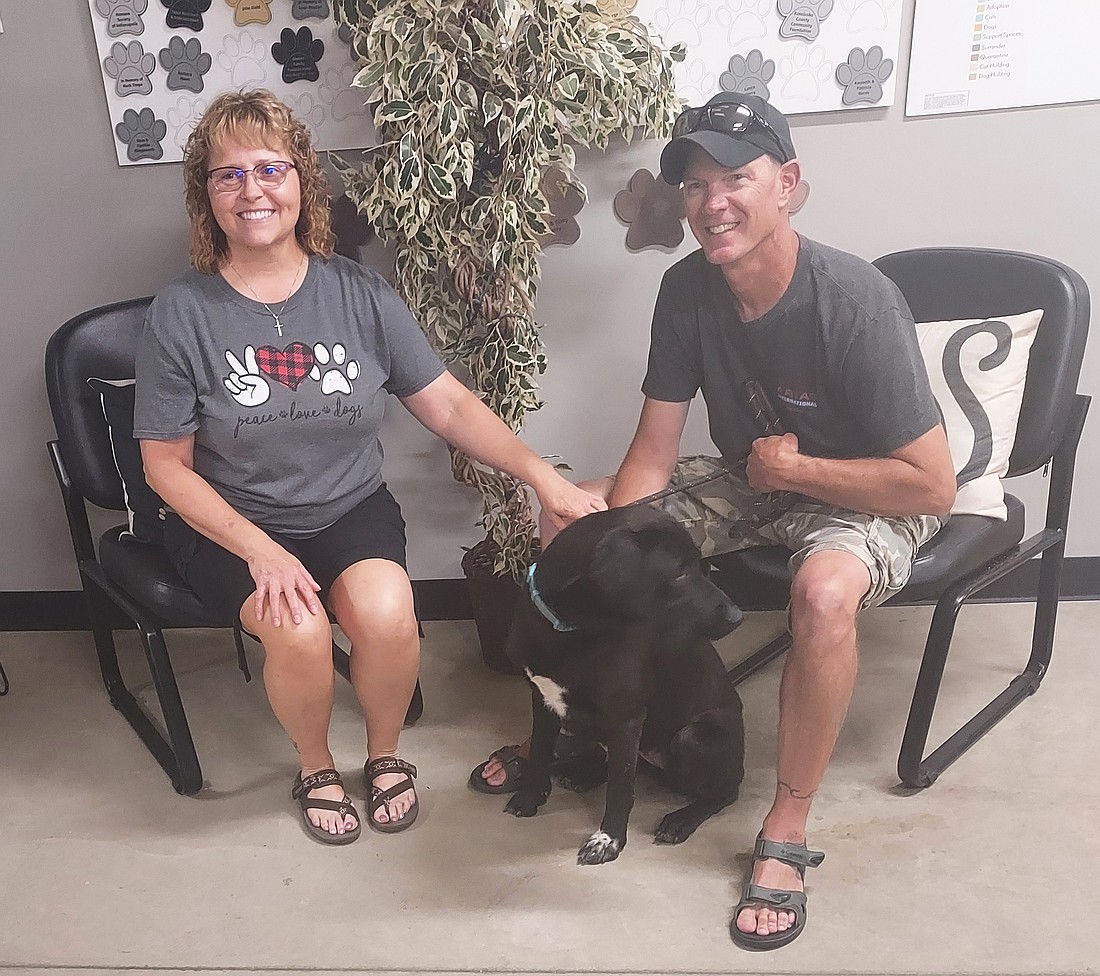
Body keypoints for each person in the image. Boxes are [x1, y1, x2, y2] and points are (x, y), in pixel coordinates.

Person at [472, 92, 956, 950]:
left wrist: (799, 469)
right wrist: (600, 531)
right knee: (569, 516)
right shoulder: (686, 289)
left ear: (789, 185)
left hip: (868, 495)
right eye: (695, 185)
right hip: (749, 481)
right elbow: (654, 452)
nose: (712, 202)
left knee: (823, 593)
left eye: (737, 177)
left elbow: (932, 486)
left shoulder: (857, 300)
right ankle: (575, 719)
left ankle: (788, 829)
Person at [134, 89, 606, 845]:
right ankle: (316, 766)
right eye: (229, 175)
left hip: (347, 508)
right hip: (234, 525)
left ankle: (384, 756)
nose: (252, 190)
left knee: (389, 617)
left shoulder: (358, 294)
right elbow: (164, 466)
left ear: (301, 183)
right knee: (299, 632)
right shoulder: (182, 312)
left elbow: (448, 405)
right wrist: (262, 550)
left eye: (269, 169)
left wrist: (541, 475)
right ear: (207, 197)